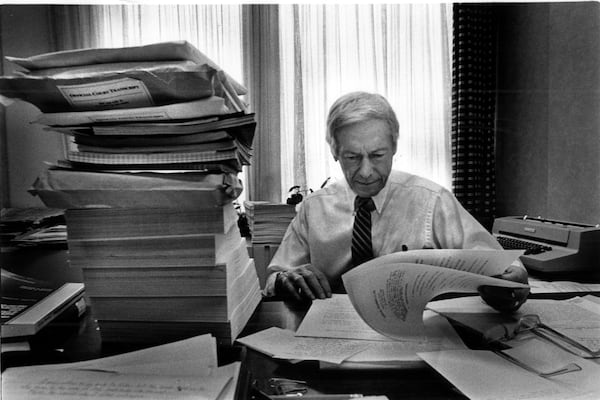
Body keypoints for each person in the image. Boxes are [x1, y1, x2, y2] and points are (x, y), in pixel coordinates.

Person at [263, 91, 529, 312]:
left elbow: (501, 264)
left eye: (377, 155)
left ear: (394, 147)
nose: (366, 172)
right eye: (352, 157)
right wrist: (285, 279)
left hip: (417, 336)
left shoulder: (432, 201)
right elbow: (276, 277)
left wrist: (512, 279)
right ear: (334, 150)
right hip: (330, 336)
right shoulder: (313, 208)